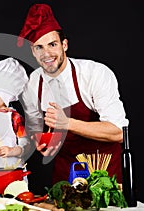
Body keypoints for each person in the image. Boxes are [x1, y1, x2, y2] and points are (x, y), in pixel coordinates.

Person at [18, 4, 129, 185]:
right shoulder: (33, 83)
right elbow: (35, 128)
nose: (46, 54)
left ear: (65, 45)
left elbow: (118, 132)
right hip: (66, 169)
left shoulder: (95, 73)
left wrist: (67, 123)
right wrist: (42, 141)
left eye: (52, 45)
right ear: (33, 51)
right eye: (39, 47)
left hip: (102, 170)